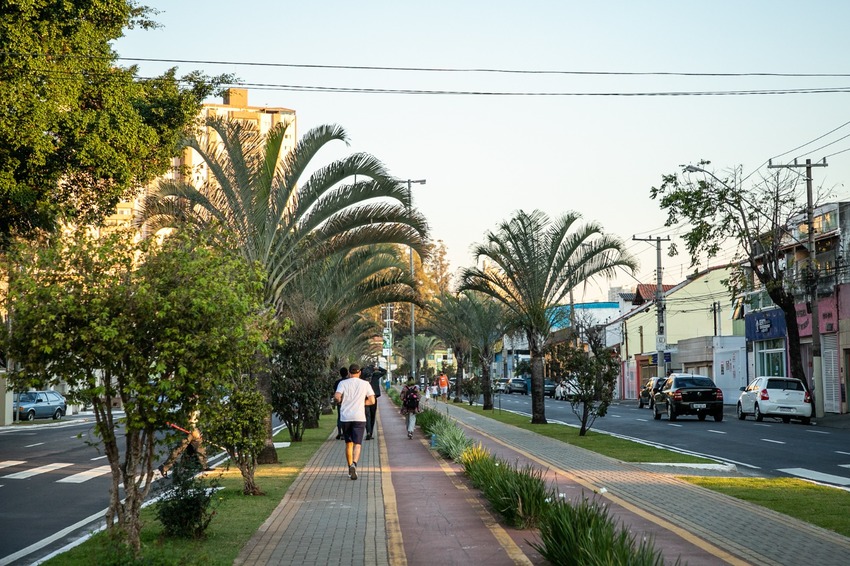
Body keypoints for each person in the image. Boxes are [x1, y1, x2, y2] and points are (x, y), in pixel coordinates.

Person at [334, 363, 376, 480]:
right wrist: (361, 403)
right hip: (359, 417)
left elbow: (337, 396)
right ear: (359, 373)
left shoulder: (343, 383)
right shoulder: (365, 384)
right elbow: (372, 400)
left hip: (345, 417)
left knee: (348, 443)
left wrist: (339, 401)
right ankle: (355, 464)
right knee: (358, 444)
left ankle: (349, 467)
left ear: (349, 372)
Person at [364, 364, 382, 440]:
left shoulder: (363, 378)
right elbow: (384, 371)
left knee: (367, 416)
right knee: (372, 416)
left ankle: (368, 432)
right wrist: (378, 368)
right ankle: (370, 433)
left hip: (365, 399)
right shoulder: (375, 376)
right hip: (373, 399)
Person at [332, 366, 349, 440]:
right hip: (348, 402)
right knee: (347, 417)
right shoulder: (349, 381)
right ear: (347, 373)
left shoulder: (337, 382)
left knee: (340, 417)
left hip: (340, 402)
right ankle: (346, 433)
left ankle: (339, 432)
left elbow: (335, 392)